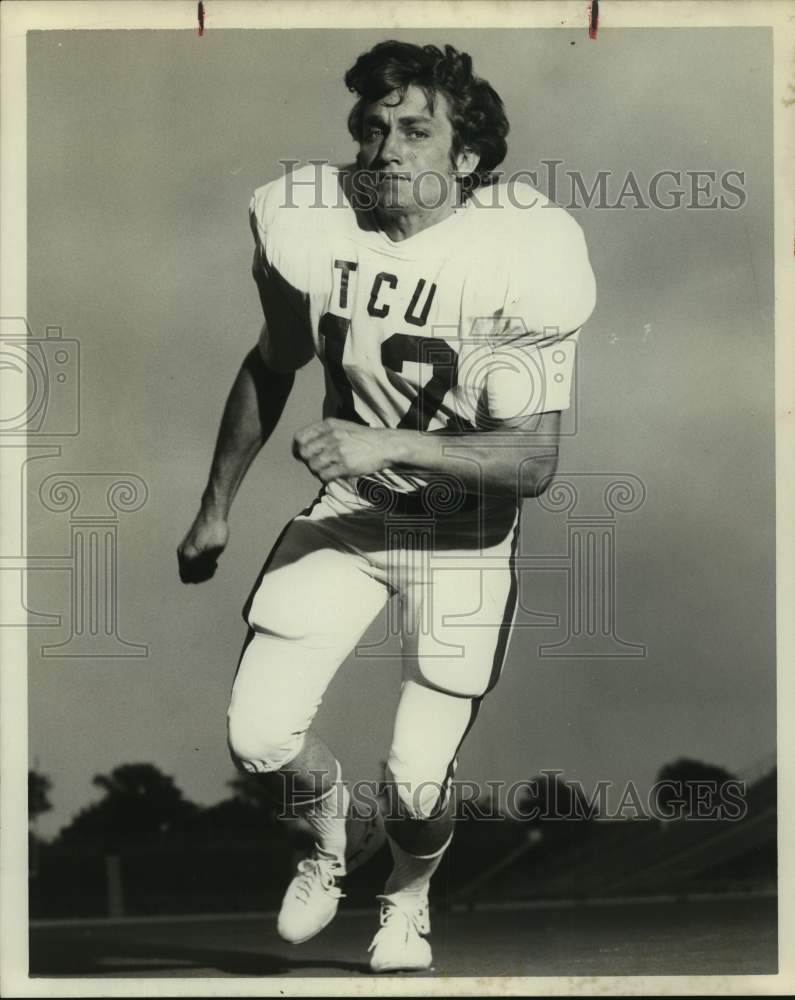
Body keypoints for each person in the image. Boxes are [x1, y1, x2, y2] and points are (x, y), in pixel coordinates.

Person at [178, 39, 596, 973]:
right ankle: (333, 842)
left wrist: (390, 442)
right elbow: (273, 361)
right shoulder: (305, 221)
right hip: (353, 512)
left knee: (416, 775)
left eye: (415, 130)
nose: (386, 149)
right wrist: (216, 508)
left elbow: (532, 461)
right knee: (257, 737)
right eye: (372, 129)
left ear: (469, 159)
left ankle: (407, 894)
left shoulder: (525, 250)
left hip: (463, 535)